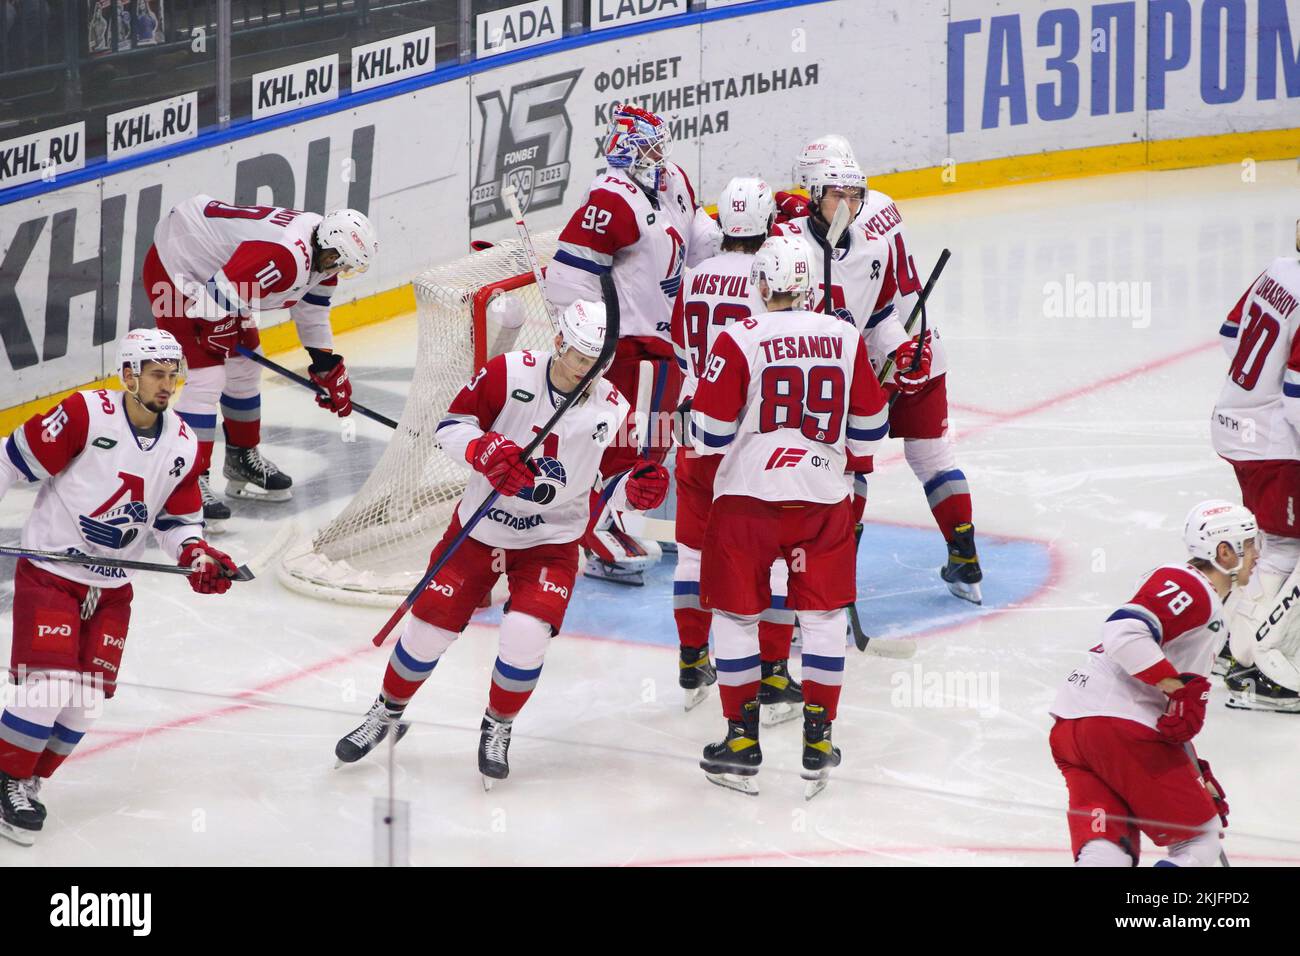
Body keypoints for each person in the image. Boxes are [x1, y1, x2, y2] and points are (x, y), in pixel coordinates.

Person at [334, 300, 669, 788]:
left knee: (526, 636)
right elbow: (451, 427)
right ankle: (386, 714)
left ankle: (498, 726)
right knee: (428, 631)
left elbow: (614, 478)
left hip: (551, 539)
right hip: (481, 529)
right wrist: (483, 449)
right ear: (559, 343)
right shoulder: (508, 372)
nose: (587, 371)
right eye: (579, 357)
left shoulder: (612, 407)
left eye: (597, 362)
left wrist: (635, 488)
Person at [0, 329, 238, 846]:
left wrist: (196, 553)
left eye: (174, 373)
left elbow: (178, 519)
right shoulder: (87, 413)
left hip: (113, 587)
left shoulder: (182, 442)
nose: (168, 384)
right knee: (50, 687)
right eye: (157, 373)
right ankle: (9, 779)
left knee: (84, 704)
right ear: (128, 374)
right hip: (53, 573)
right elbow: (9, 459)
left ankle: (29, 777)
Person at [689, 235, 889, 798]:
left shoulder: (740, 337)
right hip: (822, 500)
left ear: (760, 284)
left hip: (748, 501)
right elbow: (871, 432)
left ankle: (741, 741)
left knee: (736, 618)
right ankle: (819, 740)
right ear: (811, 285)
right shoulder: (846, 337)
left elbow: (708, 435)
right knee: (823, 620)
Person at [780, 135, 982, 604]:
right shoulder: (872, 214)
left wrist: (907, 348)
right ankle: (964, 558)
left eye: (853, 194)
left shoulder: (821, 238)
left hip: (888, 355)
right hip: (898, 350)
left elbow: (880, 311)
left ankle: (838, 576)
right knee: (920, 458)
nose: (848, 203)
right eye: (837, 193)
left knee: (851, 465)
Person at [545, 104, 720, 585]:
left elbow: (699, 236)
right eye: (652, 145)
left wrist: (738, 244)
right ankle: (589, 529)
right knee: (626, 445)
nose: (661, 153)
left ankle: (619, 519)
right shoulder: (611, 197)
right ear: (631, 147)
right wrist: (584, 343)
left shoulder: (672, 180)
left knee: (655, 441)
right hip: (629, 344)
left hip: (671, 340)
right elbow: (568, 276)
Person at [144, 195, 377, 524]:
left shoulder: (325, 256)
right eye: (340, 261)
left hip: (219, 277)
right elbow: (210, 306)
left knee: (245, 365)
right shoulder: (283, 256)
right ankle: (187, 480)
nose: (340, 270)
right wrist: (215, 327)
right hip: (179, 264)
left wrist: (324, 363)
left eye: (346, 265)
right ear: (329, 245)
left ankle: (241, 457)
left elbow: (312, 313)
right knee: (208, 375)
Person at [1049, 500, 1254, 866]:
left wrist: (1193, 767)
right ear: (1225, 551)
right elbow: (1123, 631)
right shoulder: (1190, 585)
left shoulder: (1200, 596)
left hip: (1075, 727)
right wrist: (1177, 687)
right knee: (1199, 842)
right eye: (1250, 543)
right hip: (1118, 726)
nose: (1257, 555)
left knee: (1108, 843)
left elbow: (1169, 706)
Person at [669, 176, 800, 723]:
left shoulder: (695, 275)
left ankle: (692, 660)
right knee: (768, 559)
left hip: (693, 429)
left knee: (693, 555)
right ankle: (771, 676)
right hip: (749, 439)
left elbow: (679, 352)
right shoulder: (766, 277)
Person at [1211, 230, 1300, 711]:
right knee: (1286, 549)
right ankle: (1259, 665)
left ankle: (1232, 644)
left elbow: (1229, 336)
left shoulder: (1279, 269)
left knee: (1268, 540)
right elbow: (1296, 399)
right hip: (1271, 443)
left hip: (1234, 423)